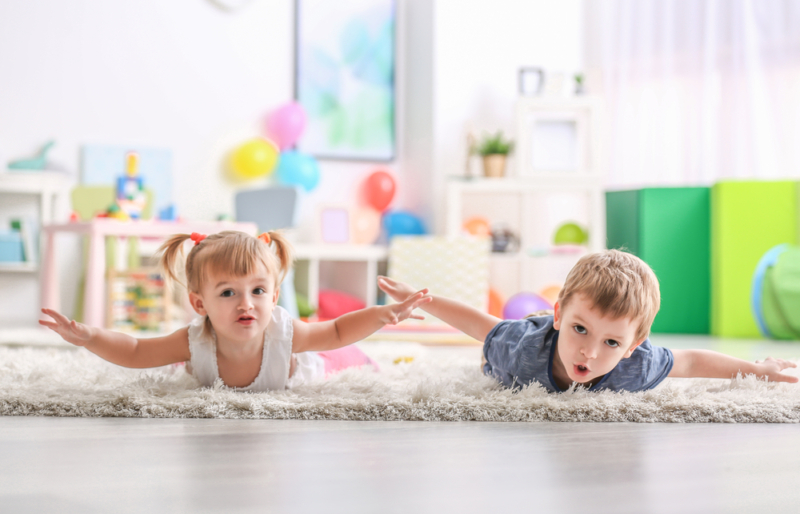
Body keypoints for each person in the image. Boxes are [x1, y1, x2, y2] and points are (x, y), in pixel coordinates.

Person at [40, 230, 431, 391]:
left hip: (302, 367)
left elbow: (339, 330)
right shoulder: (194, 340)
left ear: (274, 295)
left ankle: (389, 360)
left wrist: (384, 314)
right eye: (227, 293)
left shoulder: (284, 332)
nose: (247, 303)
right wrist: (88, 337)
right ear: (199, 304)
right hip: (211, 360)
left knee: (344, 358)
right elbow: (136, 352)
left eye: (258, 290)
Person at [378, 249, 798, 392]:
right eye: (581, 329)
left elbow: (688, 362)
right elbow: (480, 325)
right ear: (561, 314)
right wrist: (420, 300)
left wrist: (756, 370)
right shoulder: (523, 347)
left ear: (634, 345)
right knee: (490, 357)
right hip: (516, 354)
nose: (589, 352)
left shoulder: (637, 363)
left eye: (612, 343)